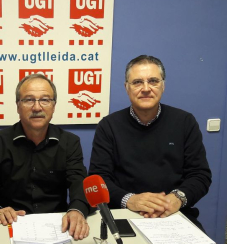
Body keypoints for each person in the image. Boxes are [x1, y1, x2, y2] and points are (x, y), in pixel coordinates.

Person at [89, 55, 212, 230]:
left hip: (173, 213)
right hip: (124, 214)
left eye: (153, 81)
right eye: (137, 82)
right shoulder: (109, 126)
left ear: (163, 85)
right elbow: (99, 178)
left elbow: (200, 175)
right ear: (126, 88)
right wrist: (130, 199)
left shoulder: (185, 122)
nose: (146, 88)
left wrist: (177, 198)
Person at [0, 74, 93, 240]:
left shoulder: (69, 142)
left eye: (45, 100)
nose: (37, 107)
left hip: (58, 228)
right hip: (9, 226)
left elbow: (78, 183)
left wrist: (76, 210)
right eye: (29, 100)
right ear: (18, 106)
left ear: (54, 106)